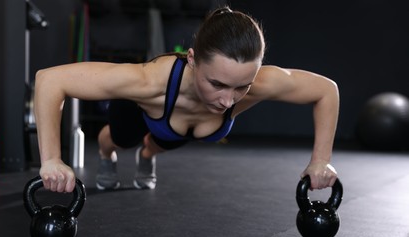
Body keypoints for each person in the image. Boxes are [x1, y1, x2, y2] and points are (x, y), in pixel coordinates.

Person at [34, 6, 339, 193]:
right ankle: (108, 156)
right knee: (117, 139)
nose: (227, 100)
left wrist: (320, 161)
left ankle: (148, 156)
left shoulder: (259, 84)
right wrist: (51, 160)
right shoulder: (148, 81)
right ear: (192, 60)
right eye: (217, 83)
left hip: (179, 128)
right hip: (146, 110)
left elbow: (326, 91)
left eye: (241, 87)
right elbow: (50, 80)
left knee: (159, 143)